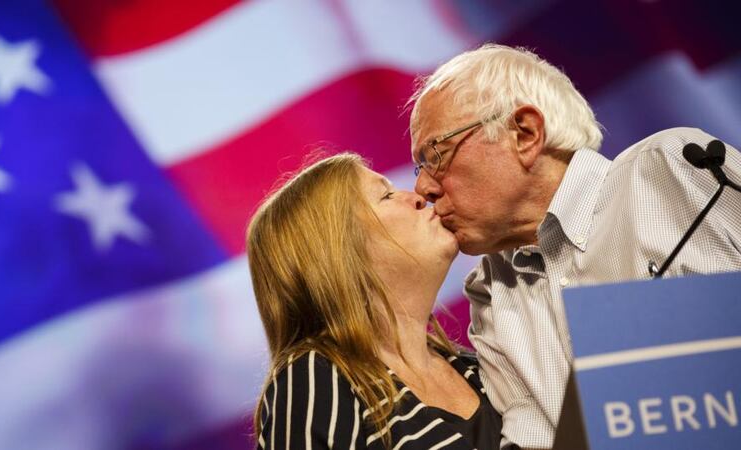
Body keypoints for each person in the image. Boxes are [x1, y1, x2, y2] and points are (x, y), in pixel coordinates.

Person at [409, 43, 741, 449]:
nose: (422, 187)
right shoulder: (492, 295)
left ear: (525, 133)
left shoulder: (668, 169)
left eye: (436, 155)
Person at [247, 153, 517, 449]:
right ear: (338, 251)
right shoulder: (313, 380)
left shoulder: (479, 367)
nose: (417, 198)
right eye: (387, 195)